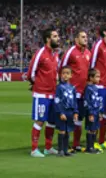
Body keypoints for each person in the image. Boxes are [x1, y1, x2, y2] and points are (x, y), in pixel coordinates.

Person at [29, 29, 61, 158]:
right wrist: (39, 85)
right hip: (41, 94)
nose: (58, 38)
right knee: (40, 121)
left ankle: (48, 147)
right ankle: (34, 149)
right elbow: (31, 73)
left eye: (57, 36)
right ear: (48, 39)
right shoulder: (40, 53)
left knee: (52, 121)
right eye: (55, 36)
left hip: (53, 93)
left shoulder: (56, 54)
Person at [61, 30, 91, 152]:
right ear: (76, 39)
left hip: (84, 91)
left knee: (79, 119)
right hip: (72, 92)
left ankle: (76, 144)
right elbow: (62, 67)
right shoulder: (70, 52)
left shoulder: (89, 53)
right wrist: (64, 86)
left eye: (86, 37)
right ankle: (64, 144)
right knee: (68, 117)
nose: (86, 39)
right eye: (83, 37)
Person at [90, 23, 106, 150]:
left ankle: (101, 140)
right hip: (99, 86)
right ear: (105, 32)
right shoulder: (98, 46)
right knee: (97, 114)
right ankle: (93, 141)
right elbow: (92, 64)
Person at [54, 66, 78, 157]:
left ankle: (65, 150)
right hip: (63, 112)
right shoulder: (59, 87)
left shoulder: (72, 88)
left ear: (71, 75)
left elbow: (75, 101)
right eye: (63, 73)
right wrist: (60, 112)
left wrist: (76, 112)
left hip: (70, 112)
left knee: (68, 131)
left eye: (67, 73)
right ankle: (60, 150)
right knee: (62, 130)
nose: (65, 75)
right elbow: (57, 101)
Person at [84, 68, 102, 154]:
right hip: (91, 112)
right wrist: (90, 113)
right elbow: (87, 101)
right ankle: (89, 147)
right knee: (90, 129)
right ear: (91, 78)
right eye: (97, 77)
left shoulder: (95, 87)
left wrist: (100, 112)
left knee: (94, 129)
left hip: (96, 112)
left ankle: (93, 146)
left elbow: (97, 100)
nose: (99, 79)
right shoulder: (88, 88)